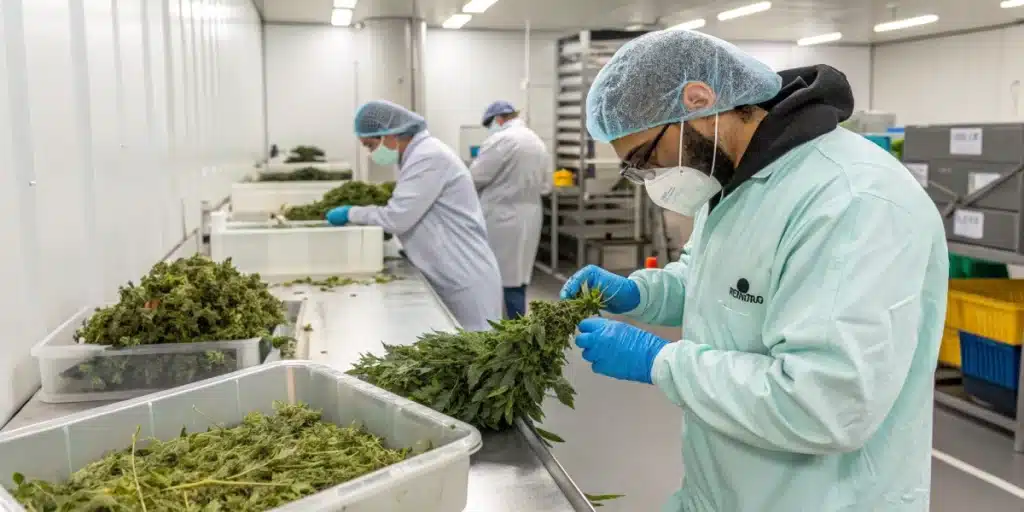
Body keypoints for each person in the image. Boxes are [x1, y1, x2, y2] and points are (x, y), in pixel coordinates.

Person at [559, 29, 947, 511]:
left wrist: (661, 361)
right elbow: (715, 280)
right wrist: (640, 293)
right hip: (726, 485)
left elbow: (826, 403)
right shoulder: (731, 179)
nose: (650, 179)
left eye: (645, 157)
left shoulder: (851, 201)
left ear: (698, 100)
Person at [327, 99, 502, 331]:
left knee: (477, 357)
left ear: (389, 135)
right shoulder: (419, 155)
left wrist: (351, 212)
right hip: (449, 271)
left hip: (463, 276)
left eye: (370, 145)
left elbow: (396, 218)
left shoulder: (428, 156)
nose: (371, 153)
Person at [471, 101, 551, 318]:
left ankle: (504, 329)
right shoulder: (536, 141)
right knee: (519, 276)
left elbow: (475, 178)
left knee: (498, 276)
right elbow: (546, 186)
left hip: (501, 217)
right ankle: (516, 326)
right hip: (531, 216)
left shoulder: (501, 140)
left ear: (498, 120)